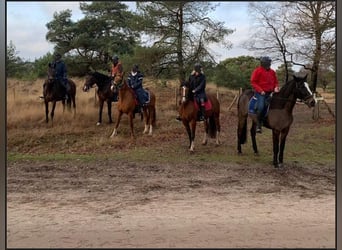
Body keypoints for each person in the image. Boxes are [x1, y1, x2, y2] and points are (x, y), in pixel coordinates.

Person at [250, 56, 280, 133]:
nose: (269, 64)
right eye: (268, 63)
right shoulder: (257, 71)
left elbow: (276, 82)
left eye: (270, 63)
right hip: (261, 93)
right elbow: (253, 82)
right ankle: (258, 124)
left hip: (271, 92)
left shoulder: (272, 72)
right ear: (264, 63)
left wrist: (276, 87)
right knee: (261, 106)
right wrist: (260, 90)